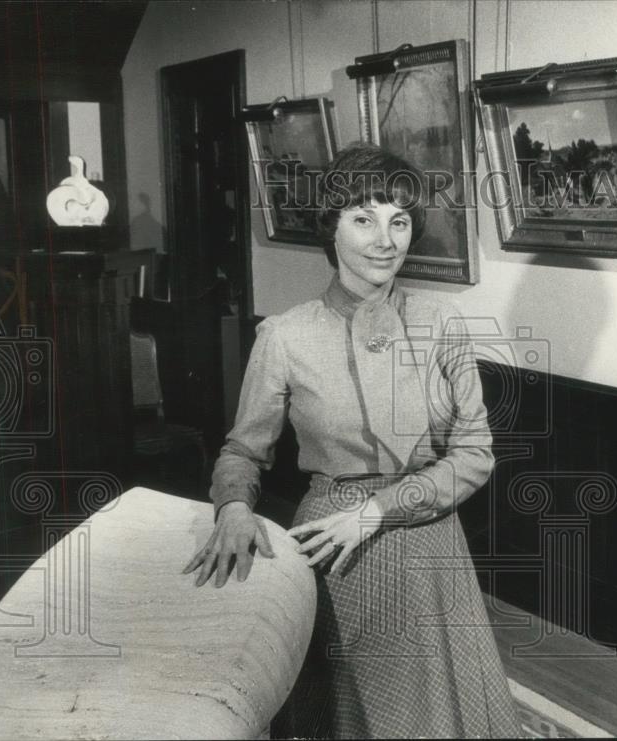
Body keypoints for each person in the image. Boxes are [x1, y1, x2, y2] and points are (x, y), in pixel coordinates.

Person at [183, 144, 521, 739]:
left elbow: (474, 454)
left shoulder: (442, 325)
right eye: (363, 219)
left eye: (399, 221)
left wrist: (378, 511)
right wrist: (233, 507)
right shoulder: (284, 337)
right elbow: (242, 451)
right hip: (334, 547)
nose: (384, 240)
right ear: (331, 229)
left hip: (428, 533)